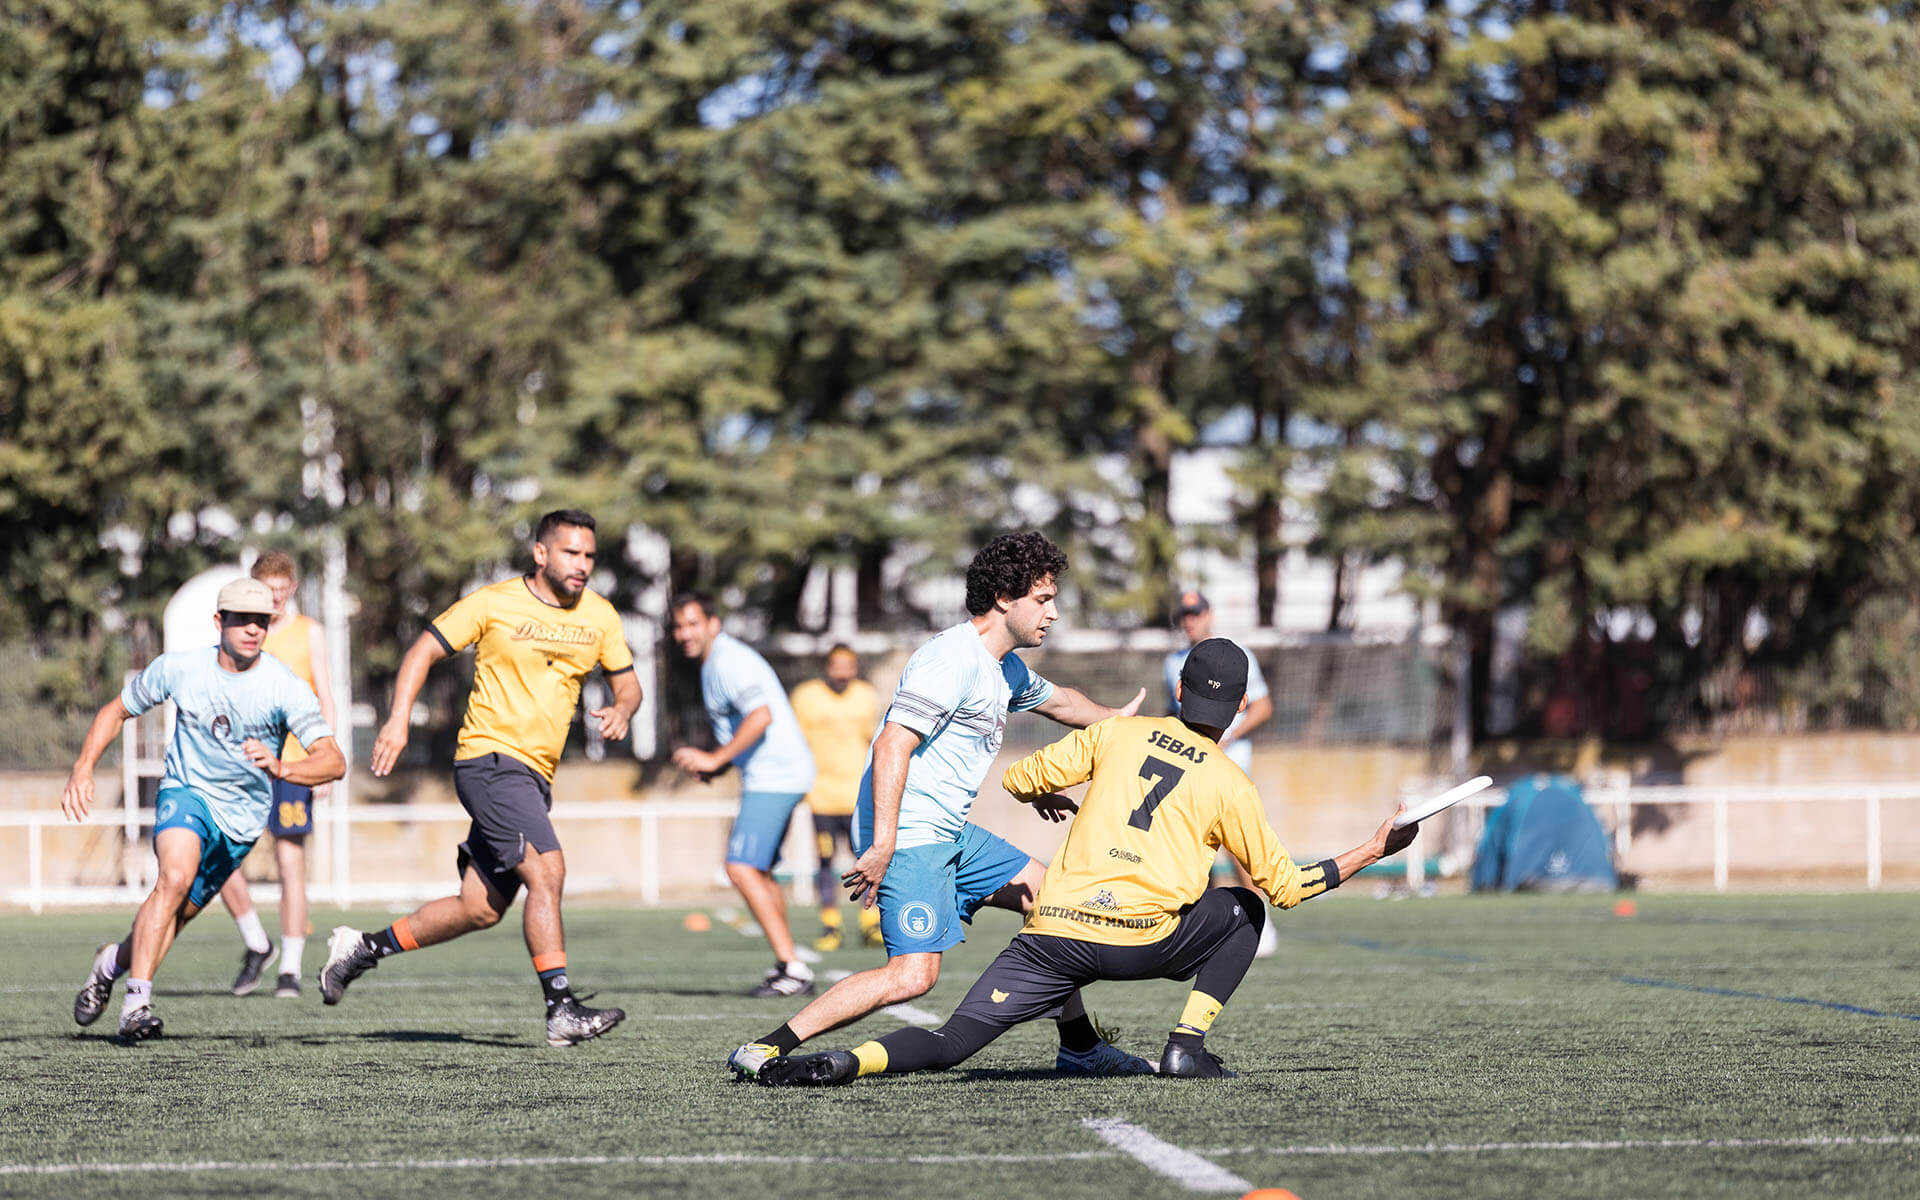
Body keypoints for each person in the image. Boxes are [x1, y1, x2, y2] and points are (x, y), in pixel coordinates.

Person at [756, 638, 1420, 1086]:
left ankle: (847, 1061)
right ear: (1242, 707)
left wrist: (1055, 794)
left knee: (951, 1044)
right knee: (1242, 907)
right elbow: (1289, 886)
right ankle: (1186, 1045)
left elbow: (1019, 779)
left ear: (1180, 689)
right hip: (1141, 947)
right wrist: (1373, 847)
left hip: (1055, 940)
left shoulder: (1116, 733)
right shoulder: (1231, 783)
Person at [729, 531, 1153, 1080]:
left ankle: (1078, 1047)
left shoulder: (1005, 668)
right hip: (909, 833)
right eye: (1044, 599)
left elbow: (1066, 704)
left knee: (1050, 899)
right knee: (912, 976)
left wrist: (1127, 721)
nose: (1054, 612)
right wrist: (883, 844)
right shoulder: (949, 659)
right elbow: (891, 745)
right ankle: (765, 1046)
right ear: (1006, 598)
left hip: (950, 832)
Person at [323, 509, 641, 1047]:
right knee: (549, 872)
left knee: (479, 909)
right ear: (541, 553)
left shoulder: (601, 617)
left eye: (589, 555)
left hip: (535, 778)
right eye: (571, 553)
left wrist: (624, 709)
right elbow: (423, 648)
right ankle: (560, 1008)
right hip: (490, 762)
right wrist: (398, 719)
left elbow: (628, 684)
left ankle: (362, 949)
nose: (582, 565)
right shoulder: (493, 603)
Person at [67, 577, 345, 1042]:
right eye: (242, 619)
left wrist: (282, 767)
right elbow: (115, 711)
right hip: (186, 793)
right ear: (220, 622)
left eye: (262, 621)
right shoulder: (179, 669)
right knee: (173, 879)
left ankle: (110, 963)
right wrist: (83, 767)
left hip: (240, 822)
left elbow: (333, 759)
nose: (253, 629)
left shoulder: (282, 686)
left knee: (175, 915)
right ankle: (136, 1006)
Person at [670, 593, 819, 997]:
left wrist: (716, 756)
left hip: (775, 775)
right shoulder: (716, 662)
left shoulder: (727, 661)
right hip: (774, 773)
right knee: (759, 871)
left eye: (692, 623)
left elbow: (761, 716)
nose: (684, 633)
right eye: (678, 625)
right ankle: (790, 965)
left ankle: (792, 966)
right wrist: (717, 765)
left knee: (740, 867)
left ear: (713, 624)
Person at [220, 551, 338, 999]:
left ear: (291, 589)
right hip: (241, 762)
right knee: (218, 857)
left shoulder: (310, 632)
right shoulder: (243, 633)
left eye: (282, 590)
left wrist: (323, 760)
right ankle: (256, 941)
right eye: (267, 590)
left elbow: (324, 694)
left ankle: (290, 967)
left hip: (291, 763)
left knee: (290, 860)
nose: (275, 598)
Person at [1163, 588, 1279, 958]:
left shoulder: (1236, 655)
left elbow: (1261, 707)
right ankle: (1202, 925)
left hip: (1231, 761)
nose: (1190, 620)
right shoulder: (1173, 662)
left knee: (1235, 844)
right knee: (1196, 844)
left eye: (1196, 613)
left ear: (1209, 614)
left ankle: (1259, 920)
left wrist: (1227, 737)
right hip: (1193, 763)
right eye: (1184, 614)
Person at [788, 644, 883, 952]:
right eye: (837, 665)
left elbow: (875, 742)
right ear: (827, 666)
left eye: (848, 665)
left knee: (865, 862)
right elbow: (794, 743)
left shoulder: (865, 696)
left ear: (855, 668)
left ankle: (870, 925)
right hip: (821, 798)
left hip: (859, 797)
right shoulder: (805, 697)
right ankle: (831, 925)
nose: (842, 672)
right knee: (826, 862)